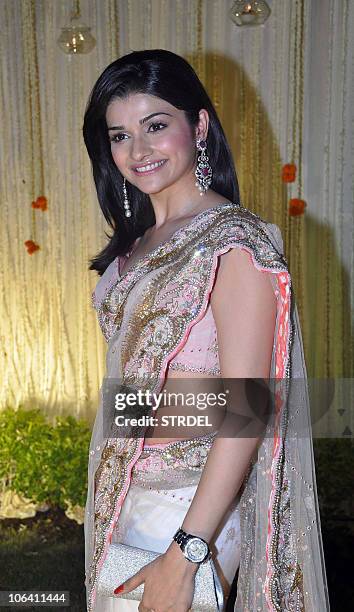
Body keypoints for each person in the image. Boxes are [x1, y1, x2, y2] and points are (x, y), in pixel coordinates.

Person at [82, 49, 330, 612]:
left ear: (198, 126)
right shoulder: (135, 246)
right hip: (118, 488)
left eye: (156, 126)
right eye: (119, 135)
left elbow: (251, 405)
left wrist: (186, 552)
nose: (138, 151)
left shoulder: (233, 243)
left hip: (189, 508)